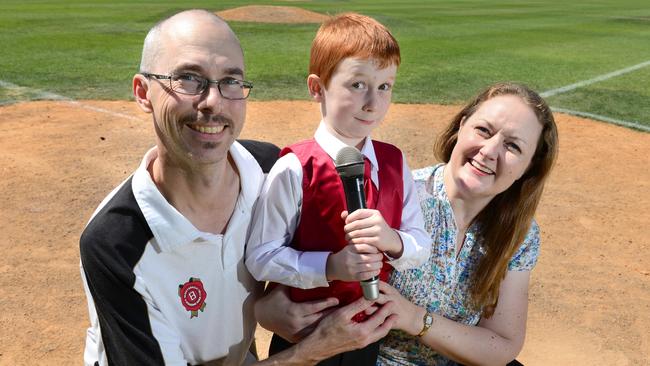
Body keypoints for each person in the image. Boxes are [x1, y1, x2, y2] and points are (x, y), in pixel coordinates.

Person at [79, 9, 397, 366]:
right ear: (143, 92)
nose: (213, 102)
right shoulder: (118, 242)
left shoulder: (271, 171)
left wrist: (268, 304)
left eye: (230, 81)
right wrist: (311, 351)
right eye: (187, 78)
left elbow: (293, 257)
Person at [245, 13, 431, 365]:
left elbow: (419, 243)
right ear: (318, 88)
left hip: (369, 333)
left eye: (384, 86)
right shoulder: (295, 168)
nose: (373, 103)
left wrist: (393, 239)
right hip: (306, 335)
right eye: (357, 84)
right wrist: (330, 266)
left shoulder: (394, 163)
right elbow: (260, 257)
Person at [373, 82, 559, 365]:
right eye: (483, 130)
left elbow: (502, 343)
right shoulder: (398, 198)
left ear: (528, 167)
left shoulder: (519, 233)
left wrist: (415, 319)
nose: (489, 150)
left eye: (512, 146)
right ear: (462, 126)